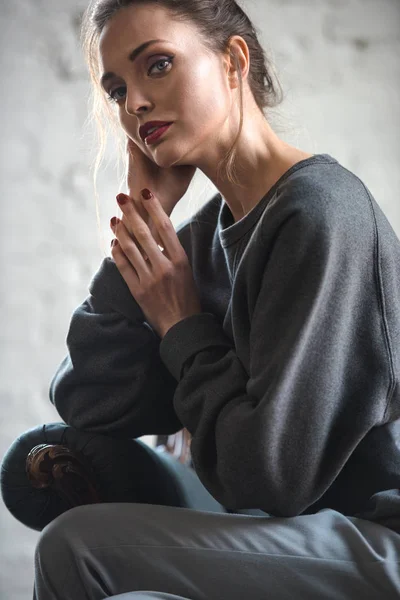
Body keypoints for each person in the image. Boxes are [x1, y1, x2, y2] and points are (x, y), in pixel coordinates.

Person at [33, 0, 400, 599]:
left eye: (157, 65)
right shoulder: (204, 240)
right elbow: (87, 397)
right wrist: (148, 224)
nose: (135, 105)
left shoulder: (320, 213)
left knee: (74, 546)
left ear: (232, 61)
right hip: (295, 536)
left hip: (378, 540)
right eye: (117, 88)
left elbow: (270, 480)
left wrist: (181, 324)